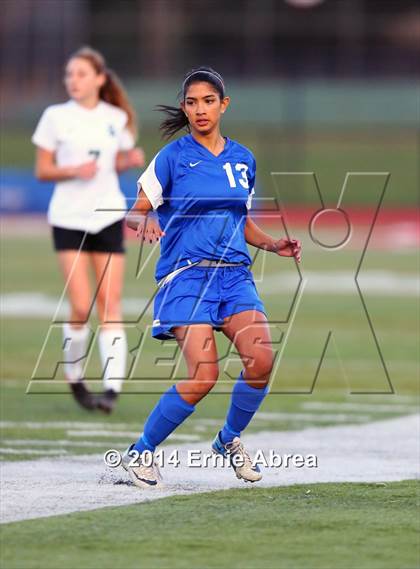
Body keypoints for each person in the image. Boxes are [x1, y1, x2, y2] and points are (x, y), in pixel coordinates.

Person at [124, 66, 301, 487]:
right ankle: (140, 452)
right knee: (203, 376)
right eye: (191, 102)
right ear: (184, 109)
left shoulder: (243, 160)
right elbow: (136, 210)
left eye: (208, 101)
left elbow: (240, 221)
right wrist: (142, 222)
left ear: (224, 105)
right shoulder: (171, 157)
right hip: (186, 277)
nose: (199, 109)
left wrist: (273, 244)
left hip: (235, 277)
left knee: (261, 361)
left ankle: (228, 439)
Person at [32, 46, 145, 413]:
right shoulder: (54, 116)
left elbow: (116, 163)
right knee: (80, 305)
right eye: (69, 74)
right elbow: (43, 170)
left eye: (80, 74)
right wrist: (73, 171)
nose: (73, 80)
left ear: (99, 78)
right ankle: (76, 377)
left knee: (110, 304)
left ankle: (111, 388)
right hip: (68, 217)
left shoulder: (116, 117)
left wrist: (128, 160)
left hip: (108, 215)